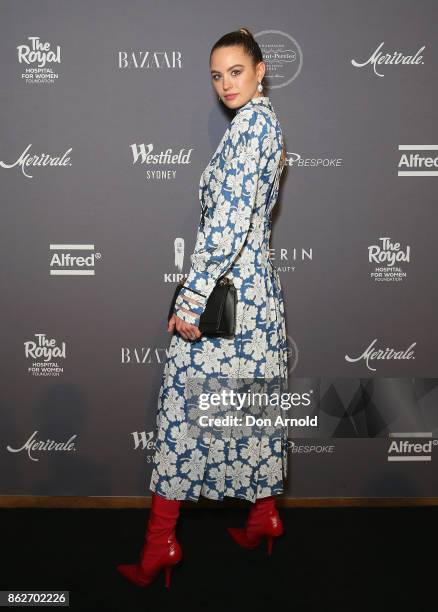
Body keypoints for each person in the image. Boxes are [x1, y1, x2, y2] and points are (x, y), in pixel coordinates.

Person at [117, 26, 288, 589]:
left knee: (182, 416)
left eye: (236, 71)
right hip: (254, 300)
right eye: (217, 76)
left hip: (227, 303)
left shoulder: (250, 130)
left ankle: (158, 546)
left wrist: (190, 299)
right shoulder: (262, 126)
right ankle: (264, 517)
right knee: (252, 410)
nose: (225, 84)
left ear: (261, 70)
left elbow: (228, 225)